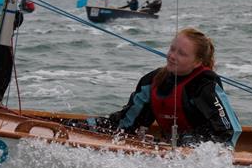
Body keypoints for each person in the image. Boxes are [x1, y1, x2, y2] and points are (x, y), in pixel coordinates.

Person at [96, 27, 241, 146]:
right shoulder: (152, 81)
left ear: (197, 62)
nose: (172, 56)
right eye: (172, 49)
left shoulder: (204, 85)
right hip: (168, 149)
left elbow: (229, 133)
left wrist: (189, 144)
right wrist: (93, 126)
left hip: (198, 153)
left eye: (181, 54)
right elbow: (126, 124)